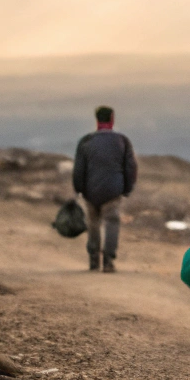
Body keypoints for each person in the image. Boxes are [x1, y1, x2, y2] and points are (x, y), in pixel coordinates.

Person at [72, 106, 138, 272]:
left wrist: (79, 189)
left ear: (97, 120)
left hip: (90, 192)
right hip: (113, 191)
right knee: (112, 223)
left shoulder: (86, 141)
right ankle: (108, 261)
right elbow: (130, 167)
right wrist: (127, 189)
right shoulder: (122, 141)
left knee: (93, 224)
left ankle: (93, 260)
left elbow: (79, 169)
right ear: (112, 119)